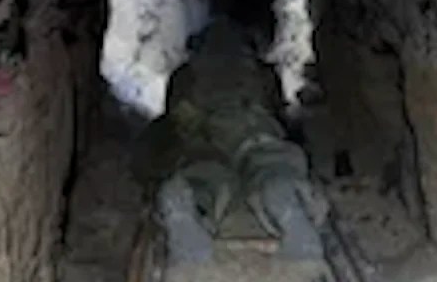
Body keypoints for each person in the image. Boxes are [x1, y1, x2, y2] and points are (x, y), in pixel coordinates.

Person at [133, 17, 321, 261]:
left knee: (205, 171)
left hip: (206, 130)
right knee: (270, 163)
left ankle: (195, 202)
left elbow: (172, 120)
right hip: (253, 124)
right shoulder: (263, 72)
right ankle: (283, 195)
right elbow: (278, 112)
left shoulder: (185, 74)